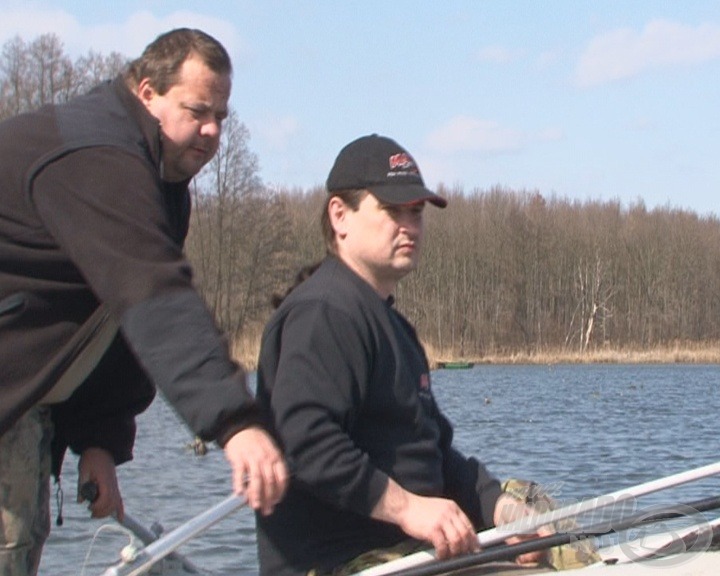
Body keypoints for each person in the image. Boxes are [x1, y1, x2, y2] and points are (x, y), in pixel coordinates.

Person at [0, 28, 288, 575]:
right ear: (147, 92)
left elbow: (109, 317)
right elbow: (153, 295)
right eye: (197, 110)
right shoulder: (98, 156)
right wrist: (234, 421)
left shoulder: (156, 177)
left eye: (221, 117)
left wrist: (99, 441)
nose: (210, 131)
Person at [254, 134, 560, 576]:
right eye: (392, 210)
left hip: (416, 554)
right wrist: (409, 509)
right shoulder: (322, 313)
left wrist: (499, 508)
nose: (410, 226)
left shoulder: (395, 328)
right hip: (344, 563)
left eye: (416, 212)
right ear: (340, 215)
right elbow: (304, 443)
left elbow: (435, 451)